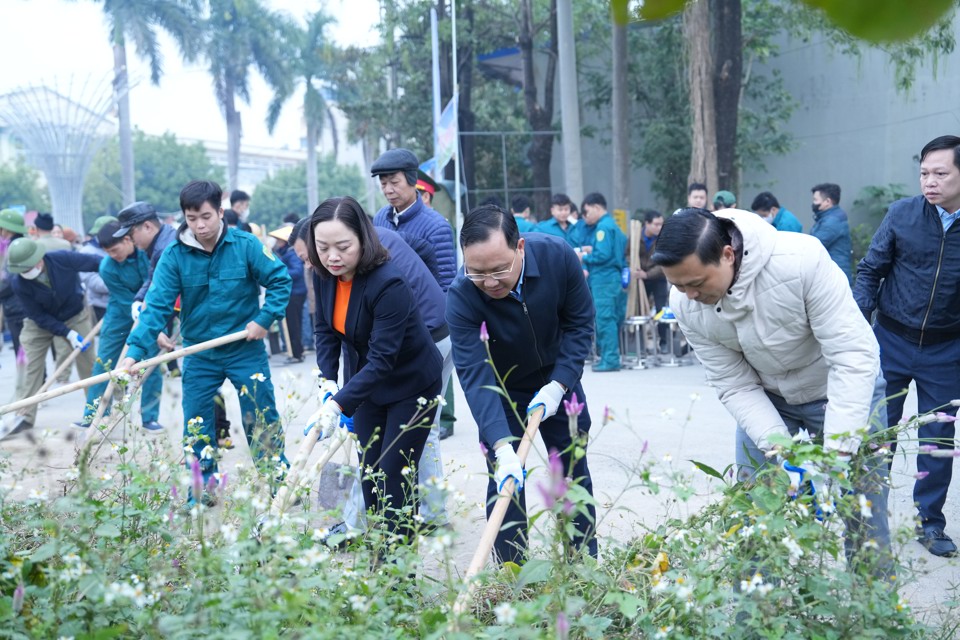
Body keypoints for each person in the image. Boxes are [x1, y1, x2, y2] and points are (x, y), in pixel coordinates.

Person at [651, 208, 891, 572]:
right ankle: (757, 616)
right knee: (754, 517)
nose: (689, 294)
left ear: (728, 254)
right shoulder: (685, 303)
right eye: (678, 285)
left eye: (696, 282)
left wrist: (838, 453)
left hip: (841, 389)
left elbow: (852, 356)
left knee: (864, 514)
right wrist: (783, 449)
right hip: (769, 398)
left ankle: (877, 618)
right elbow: (733, 383)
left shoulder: (800, 261)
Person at [118, 180, 292, 505]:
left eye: (206, 216)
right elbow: (156, 306)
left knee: (261, 414)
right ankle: (202, 487)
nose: (200, 225)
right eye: (192, 217)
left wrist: (265, 319)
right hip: (200, 353)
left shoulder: (246, 244)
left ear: (220, 212)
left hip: (245, 348)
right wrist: (133, 352)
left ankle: (277, 479)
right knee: (197, 421)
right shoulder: (173, 256)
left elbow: (280, 280)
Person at [447, 204, 597, 565]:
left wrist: (560, 384)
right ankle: (513, 577)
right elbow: (474, 375)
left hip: (558, 380)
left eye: (500, 269)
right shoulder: (462, 295)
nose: (491, 282)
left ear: (521, 248)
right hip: (502, 388)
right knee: (505, 481)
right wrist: (500, 445)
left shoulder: (558, 257)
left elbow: (580, 325)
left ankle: (583, 565)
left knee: (571, 470)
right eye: (478, 272)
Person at [292, 215, 452, 535]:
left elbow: (381, 359)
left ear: (362, 239)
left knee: (396, 472)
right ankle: (374, 547)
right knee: (371, 471)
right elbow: (326, 331)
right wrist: (329, 384)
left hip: (414, 371)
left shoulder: (386, 280)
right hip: (372, 372)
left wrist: (338, 404)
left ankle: (404, 560)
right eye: (320, 250)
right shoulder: (327, 274)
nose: (329, 257)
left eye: (341, 247)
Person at [853, 135, 960, 558]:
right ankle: (865, 519)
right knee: (877, 435)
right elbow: (869, 271)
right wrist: (859, 330)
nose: (929, 182)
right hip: (890, 342)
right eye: (923, 173)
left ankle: (930, 524)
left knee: (938, 441)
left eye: (940, 174)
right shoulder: (901, 214)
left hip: (946, 350)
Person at [371, 148, 458, 443]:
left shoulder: (436, 226)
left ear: (413, 181)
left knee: (425, 425)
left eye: (394, 181)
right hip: (394, 330)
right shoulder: (380, 219)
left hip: (430, 332)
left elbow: (445, 284)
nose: (388, 189)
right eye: (383, 183)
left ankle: (430, 490)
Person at [5, 239, 101, 437]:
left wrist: (118, 275)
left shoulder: (62, 259)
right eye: (22, 270)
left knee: (88, 363)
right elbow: (38, 316)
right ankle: (24, 416)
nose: (26, 274)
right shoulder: (19, 282)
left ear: (39, 260)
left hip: (75, 315)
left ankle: (97, 411)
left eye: (28, 268)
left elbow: (96, 263)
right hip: (38, 323)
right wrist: (67, 334)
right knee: (29, 366)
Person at [75, 222, 163, 432]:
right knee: (104, 362)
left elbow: (155, 286)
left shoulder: (147, 255)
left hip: (150, 311)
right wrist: (136, 312)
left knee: (151, 362)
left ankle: (150, 417)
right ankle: (94, 414)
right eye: (107, 252)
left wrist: (153, 325)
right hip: (119, 313)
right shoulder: (107, 267)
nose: (112, 255)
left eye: (114, 250)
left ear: (127, 240)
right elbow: (125, 300)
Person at [573, 192, 628, 372]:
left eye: (587, 212)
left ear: (597, 207)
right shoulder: (614, 225)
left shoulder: (602, 228)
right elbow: (615, 250)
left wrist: (584, 255)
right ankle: (612, 356)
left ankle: (610, 359)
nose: (586, 216)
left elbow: (603, 255)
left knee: (605, 319)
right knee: (613, 317)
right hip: (615, 277)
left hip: (603, 279)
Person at [268, 225, 306, 364]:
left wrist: (281, 274)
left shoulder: (292, 253)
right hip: (292, 292)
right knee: (292, 324)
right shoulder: (284, 253)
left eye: (278, 240)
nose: (277, 242)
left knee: (294, 324)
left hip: (295, 293)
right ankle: (295, 352)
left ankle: (297, 353)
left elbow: (297, 271)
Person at [633, 210, 670, 351]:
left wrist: (647, 274)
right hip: (640, 279)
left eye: (661, 224)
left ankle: (664, 341)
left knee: (661, 310)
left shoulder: (664, 238)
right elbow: (628, 254)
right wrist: (636, 271)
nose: (659, 227)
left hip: (658, 278)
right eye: (656, 224)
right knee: (640, 310)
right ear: (647, 224)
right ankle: (640, 344)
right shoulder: (636, 236)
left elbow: (663, 264)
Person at [0, 209, 29, 363]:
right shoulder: (15, 245)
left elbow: (9, 281)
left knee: (25, 354)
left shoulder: (14, 248)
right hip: (18, 306)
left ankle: (35, 386)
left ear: (7, 229)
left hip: (17, 308)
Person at [810, 183, 853, 283]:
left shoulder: (832, 221)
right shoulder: (828, 218)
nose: (813, 203)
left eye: (816, 200)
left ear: (827, 202)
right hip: (833, 273)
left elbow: (814, 245)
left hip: (834, 276)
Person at [79, 215, 116, 322]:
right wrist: (118, 285)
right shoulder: (86, 252)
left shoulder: (124, 247)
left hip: (124, 302)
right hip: (99, 304)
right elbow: (90, 280)